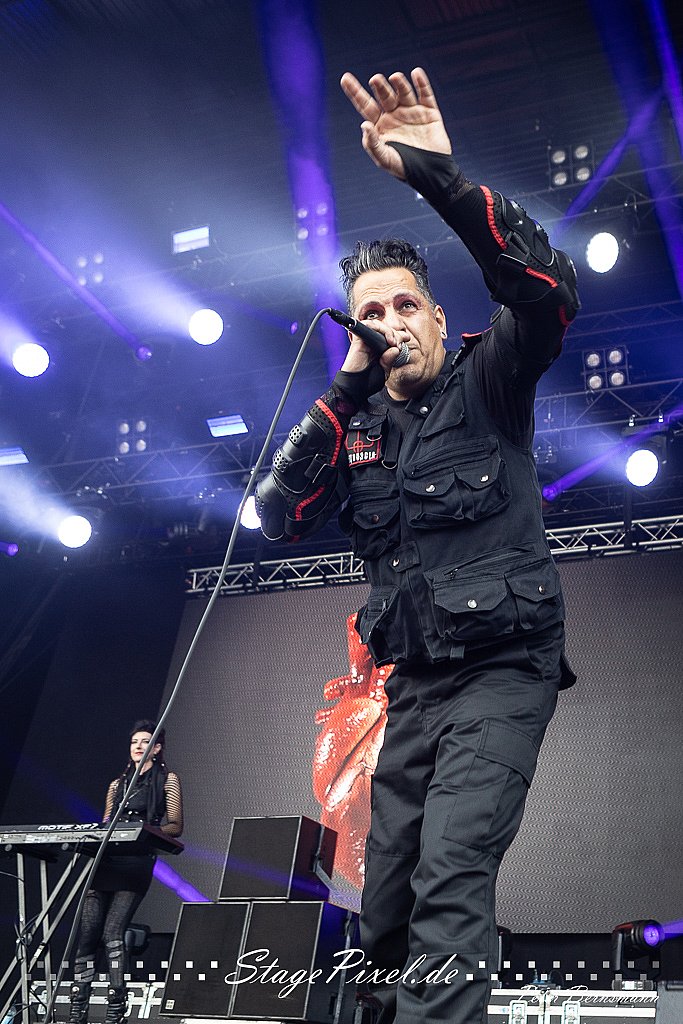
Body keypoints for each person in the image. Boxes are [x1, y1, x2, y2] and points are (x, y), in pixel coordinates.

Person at [256, 67, 579, 1024]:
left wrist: (437, 177)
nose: (392, 323)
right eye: (373, 312)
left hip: (504, 670)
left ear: (438, 318)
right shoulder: (353, 424)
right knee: (385, 905)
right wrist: (342, 391)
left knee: (450, 871)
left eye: (405, 306)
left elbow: (547, 292)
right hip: (416, 689)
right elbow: (276, 517)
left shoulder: (490, 380)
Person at [68, 721, 183, 1024]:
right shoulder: (117, 784)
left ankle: (116, 1006)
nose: (138, 747)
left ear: (157, 749)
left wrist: (144, 831)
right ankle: (77, 1007)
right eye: (134, 742)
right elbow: (107, 823)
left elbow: (175, 826)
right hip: (107, 860)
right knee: (87, 934)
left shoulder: (168, 780)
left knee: (112, 933)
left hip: (135, 862)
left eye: (145, 742)